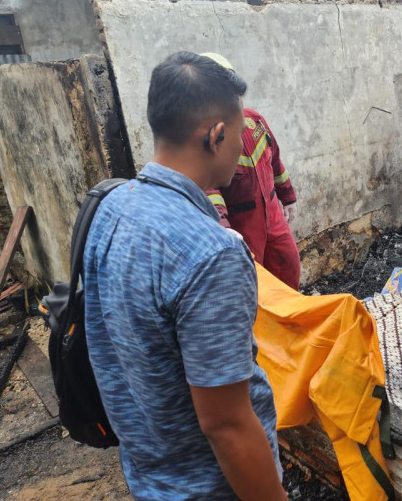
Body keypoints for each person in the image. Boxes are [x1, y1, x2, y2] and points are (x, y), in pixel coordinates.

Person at [83, 51, 286, 500]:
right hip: (210, 485)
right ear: (215, 135)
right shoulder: (212, 253)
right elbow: (227, 425)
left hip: (150, 472)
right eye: (238, 133)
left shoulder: (110, 206)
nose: (241, 147)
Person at [200, 53, 301, 290]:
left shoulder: (254, 121)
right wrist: (223, 227)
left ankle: (294, 322)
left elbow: (274, 160)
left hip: (273, 212)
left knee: (288, 266)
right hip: (243, 224)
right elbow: (208, 188)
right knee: (256, 287)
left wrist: (288, 197)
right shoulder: (207, 139)